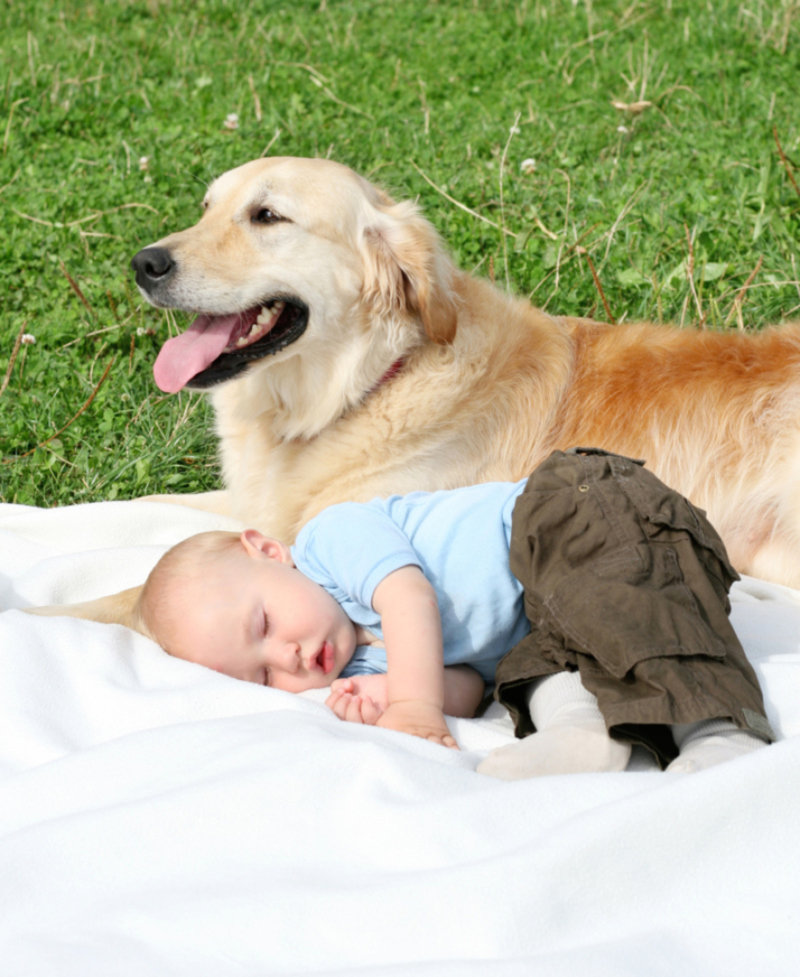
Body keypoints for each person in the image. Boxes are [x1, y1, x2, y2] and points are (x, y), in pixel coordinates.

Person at [131, 449, 774, 777]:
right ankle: (586, 735)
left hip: (575, 512)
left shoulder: (330, 544)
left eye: (264, 627)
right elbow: (469, 689)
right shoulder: (353, 658)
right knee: (532, 670)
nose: (289, 658)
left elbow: (408, 598)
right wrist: (391, 690)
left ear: (269, 552)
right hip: (544, 613)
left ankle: (720, 730)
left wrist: (412, 704)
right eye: (265, 676)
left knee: (622, 604)